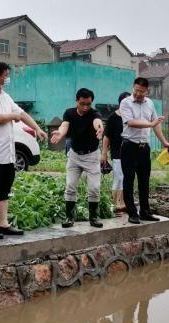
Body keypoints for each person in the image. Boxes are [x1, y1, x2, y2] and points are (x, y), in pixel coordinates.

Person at [0, 61, 48, 239]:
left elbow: (21, 114)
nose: (7, 78)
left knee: (4, 190)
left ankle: (3, 224)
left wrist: (37, 128)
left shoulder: (5, 97)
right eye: (5, 75)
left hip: (8, 153)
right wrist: (13, 116)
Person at [50, 88, 104, 228]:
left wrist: (100, 128)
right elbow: (64, 125)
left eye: (88, 104)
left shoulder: (94, 113)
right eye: (82, 103)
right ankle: (69, 217)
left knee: (94, 188)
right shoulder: (69, 113)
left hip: (91, 155)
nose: (85, 107)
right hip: (74, 155)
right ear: (76, 101)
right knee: (70, 186)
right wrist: (60, 134)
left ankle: (94, 217)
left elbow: (97, 121)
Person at [120, 77, 169, 224]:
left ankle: (145, 211)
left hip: (144, 148)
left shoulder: (150, 103)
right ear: (133, 88)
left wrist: (164, 142)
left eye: (141, 92)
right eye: (136, 90)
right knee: (128, 180)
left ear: (146, 91)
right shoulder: (125, 102)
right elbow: (130, 122)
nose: (138, 94)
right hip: (129, 146)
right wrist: (150, 124)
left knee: (144, 181)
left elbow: (156, 125)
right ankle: (132, 213)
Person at [101, 92, 130, 213]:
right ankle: (116, 203)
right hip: (117, 151)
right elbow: (106, 137)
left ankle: (123, 202)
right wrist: (104, 153)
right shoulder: (113, 117)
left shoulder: (131, 117)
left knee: (127, 178)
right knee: (119, 177)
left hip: (130, 151)